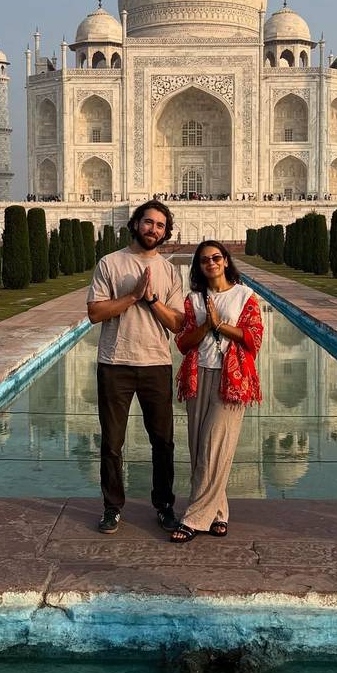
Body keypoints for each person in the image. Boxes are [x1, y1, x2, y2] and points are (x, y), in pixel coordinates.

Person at [87, 200, 184, 535]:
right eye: (148, 222)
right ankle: (112, 507)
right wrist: (131, 296)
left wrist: (153, 299)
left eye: (159, 225)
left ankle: (165, 505)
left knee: (163, 441)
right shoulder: (110, 263)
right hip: (115, 363)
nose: (153, 229)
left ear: (165, 232)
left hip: (156, 362)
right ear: (136, 224)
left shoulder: (170, 271)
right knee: (112, 442)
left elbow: (177, 323)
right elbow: (95, 313)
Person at [170, 241, 263, 544]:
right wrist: (206, 325)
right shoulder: (194, 298)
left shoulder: (245, 296)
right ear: (198, 266)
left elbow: (254, 339)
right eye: (204, 260)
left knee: (213, 447)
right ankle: (219, 513)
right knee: (200, 448)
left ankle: (193, 518)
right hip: (198, 375)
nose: (210, 263)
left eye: (215, 258)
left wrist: (219, 325)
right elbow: (183, 343)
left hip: (232, 380)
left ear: (225, 261)